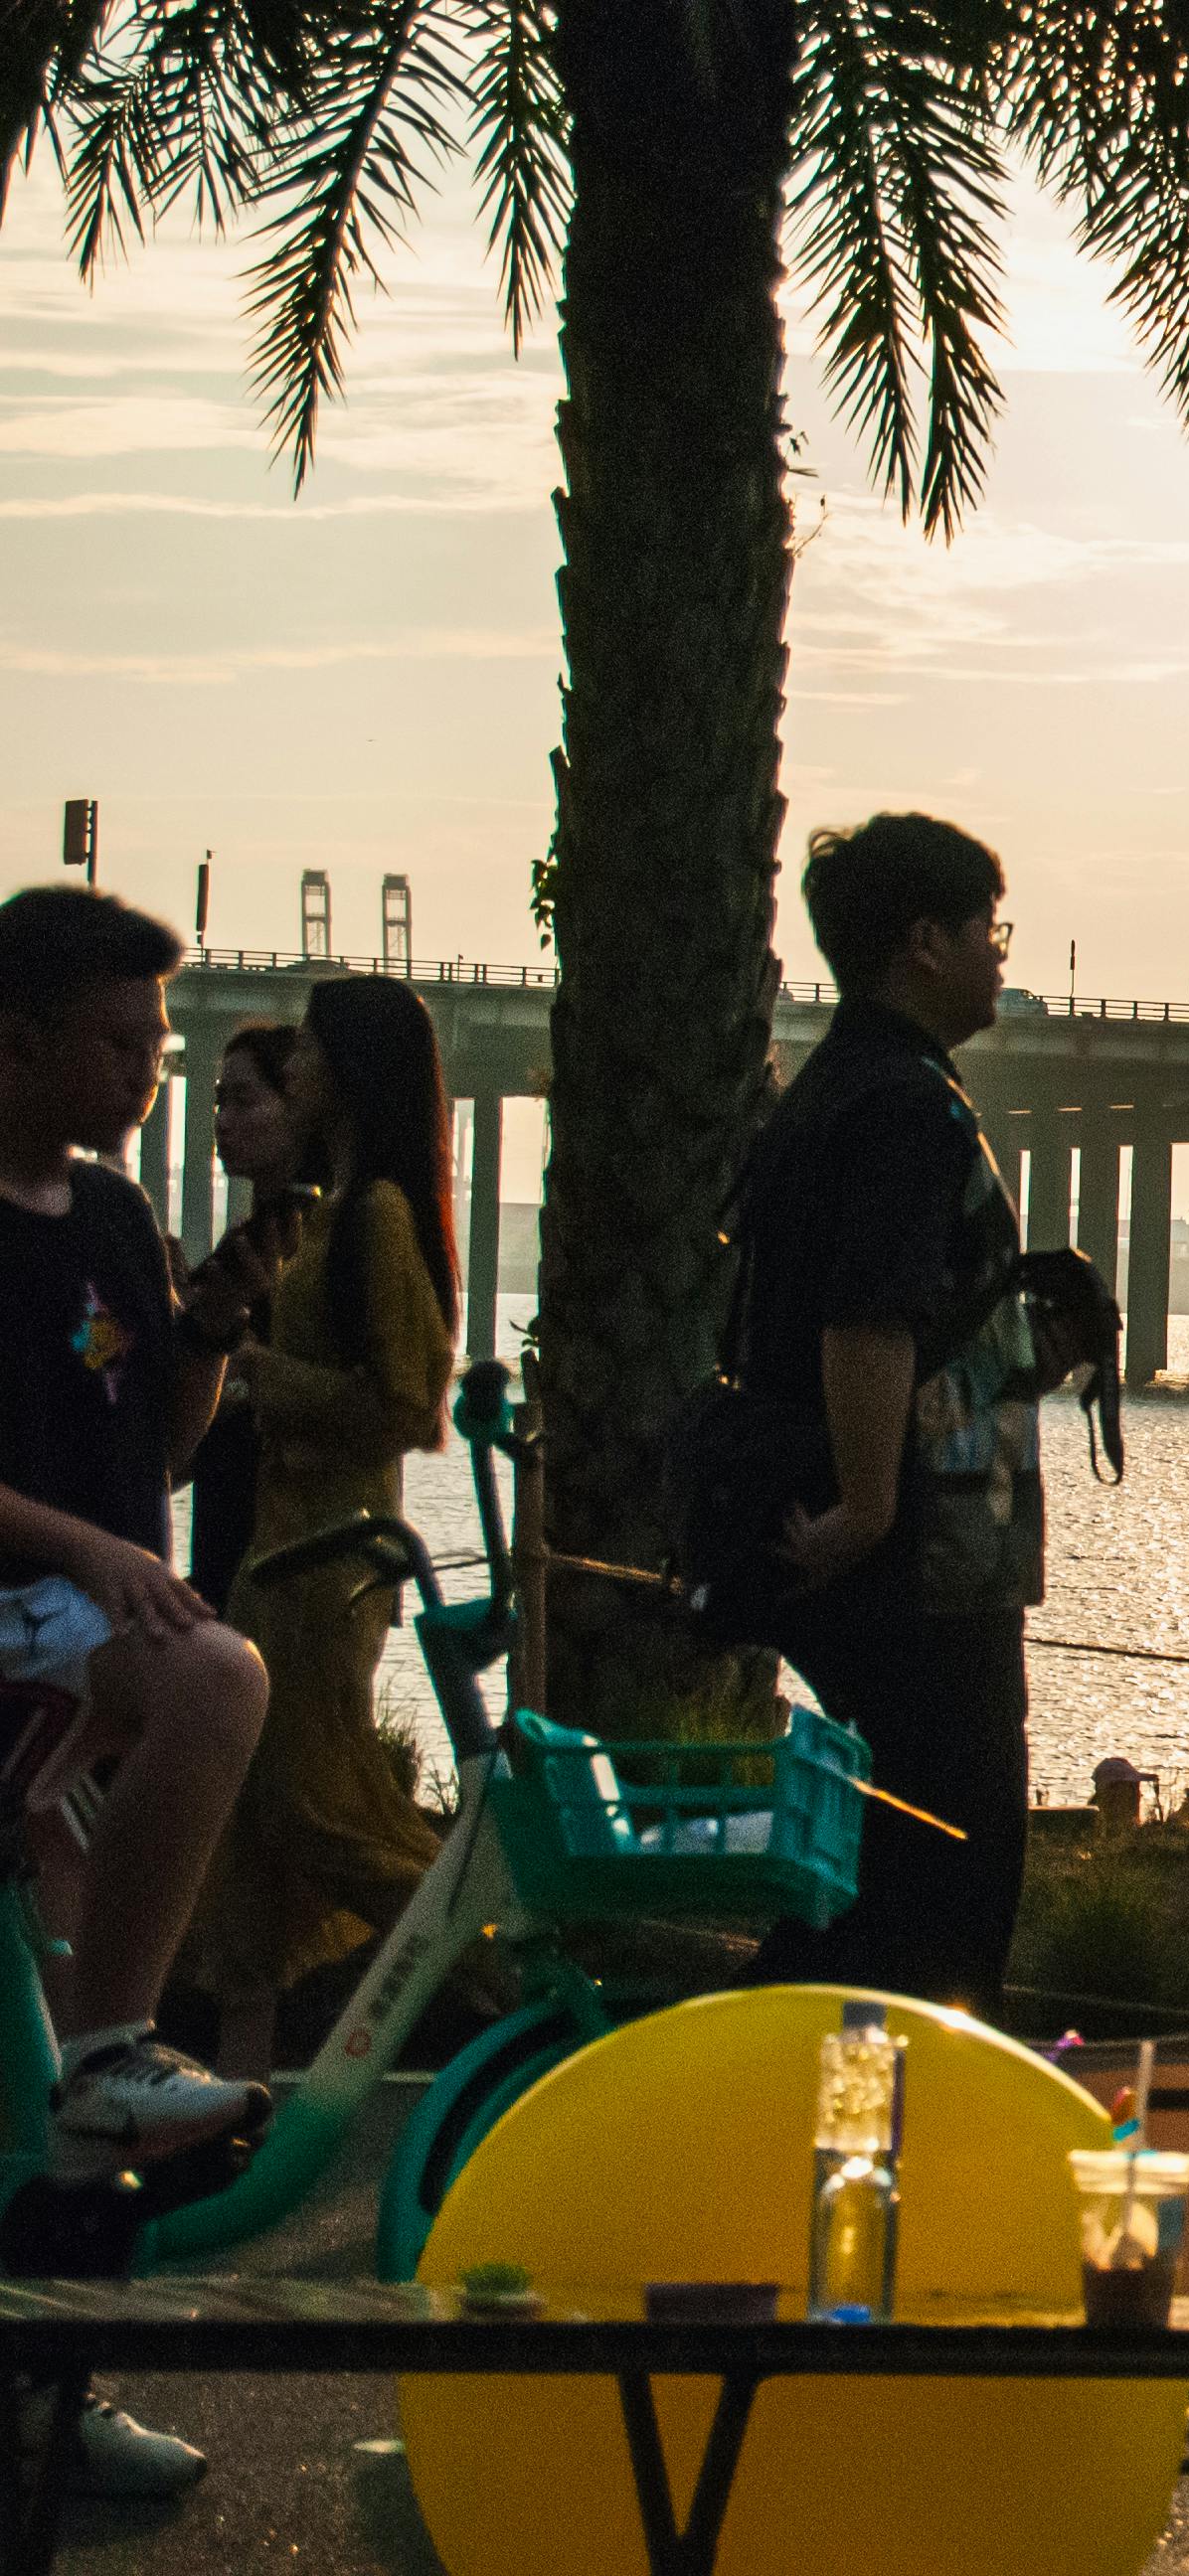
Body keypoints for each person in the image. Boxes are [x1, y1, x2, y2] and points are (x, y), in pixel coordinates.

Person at [0, 885, 274, 2496]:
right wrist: (100, 1560)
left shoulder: (108, 1214)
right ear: (17, 1038)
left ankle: (53, 2391)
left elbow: (157, 1455)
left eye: (159, 1044)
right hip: (31, 1612)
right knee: (222, 1680)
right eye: (116, 1039)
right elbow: (104, 1527)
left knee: (45, 2083)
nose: (146, 1071)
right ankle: (118, 2050)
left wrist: (210, 1336)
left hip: (73, 1632)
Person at [737, 815, 1045, 2021]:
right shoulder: (907, 1106)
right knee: (949, 1879)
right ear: (925, 941)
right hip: (922, 1556)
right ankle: (874, 2128)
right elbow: (864, 1322)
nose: (997, 954)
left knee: (873, 1876)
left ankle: (795, 2108)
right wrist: (867, 1509)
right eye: (987, 929)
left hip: (885, 1545)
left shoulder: (826, 1089)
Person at [189, 976, 460, 2079]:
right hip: (279, 1554)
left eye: (303, 1054)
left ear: (345, 1074)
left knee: (318, 1811)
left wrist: (258, 1375)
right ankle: (239, 2102)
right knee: (251, 1842)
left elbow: (407, 1403)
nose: (289, 1069)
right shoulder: (336, 1211)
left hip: (329, 1566)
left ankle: (489, 1952)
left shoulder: (376, 1218)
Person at [181, 1023, 309, 1609]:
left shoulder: (312, 1252)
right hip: (226, 1557)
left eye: (245, 1100)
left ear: (301, 1106)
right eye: (217, 1102)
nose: (223, 1121)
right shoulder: (240, 1256)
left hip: (293, 1562)